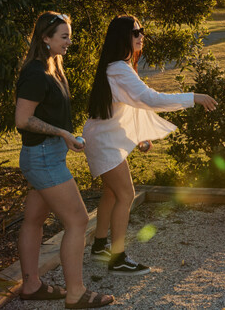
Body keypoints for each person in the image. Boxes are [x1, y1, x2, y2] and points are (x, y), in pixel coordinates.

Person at [83, 15, 217, 275]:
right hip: (104, 143)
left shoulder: (116, 66)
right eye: (136, 32)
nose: (141, 36)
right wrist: (194, 97)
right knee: (126, 195)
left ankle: (100, 247)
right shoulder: (119, 68)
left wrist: (140, 136)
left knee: (112, 193)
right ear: (123, 37)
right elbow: (150, 99)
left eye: (140, 31)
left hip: (101, 139)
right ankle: (118, 257)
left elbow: (131, 105)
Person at [15, 12, 113, 308]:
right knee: (78, 220)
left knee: (33, 219)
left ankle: (31, 286)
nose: (70, 41)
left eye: (69, 35)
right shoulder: (35, 72)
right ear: (45, 38)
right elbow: (22, 119)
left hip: (46, 154)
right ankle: (76, 293)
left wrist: (67, 136)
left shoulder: (51, 68)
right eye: (64, 36)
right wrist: (61, 132)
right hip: (43, 157)